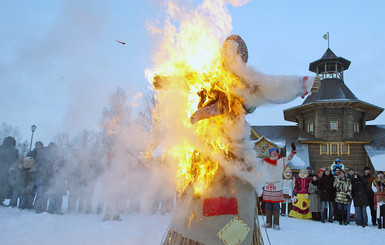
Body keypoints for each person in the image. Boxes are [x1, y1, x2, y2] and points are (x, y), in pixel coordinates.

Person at [261, 145, 296, 230]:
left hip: (277, 186)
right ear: (270, 152)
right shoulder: (264, 161)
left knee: (276, 206)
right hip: (267, 186)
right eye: (272, 151)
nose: (274, 152)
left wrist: (293, 152)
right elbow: (253, 161)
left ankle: (276, 223)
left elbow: (289, 158)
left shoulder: (281, 161)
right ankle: (268, 222)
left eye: (275, 151)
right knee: (268, 206)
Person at [0, 136, 19, 205]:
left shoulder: (14, 151)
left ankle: (1, 199)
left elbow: (16, 162)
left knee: (5, 186)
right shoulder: (14, 151)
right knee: (4, 186)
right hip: (6, 171)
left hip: (7, 171)